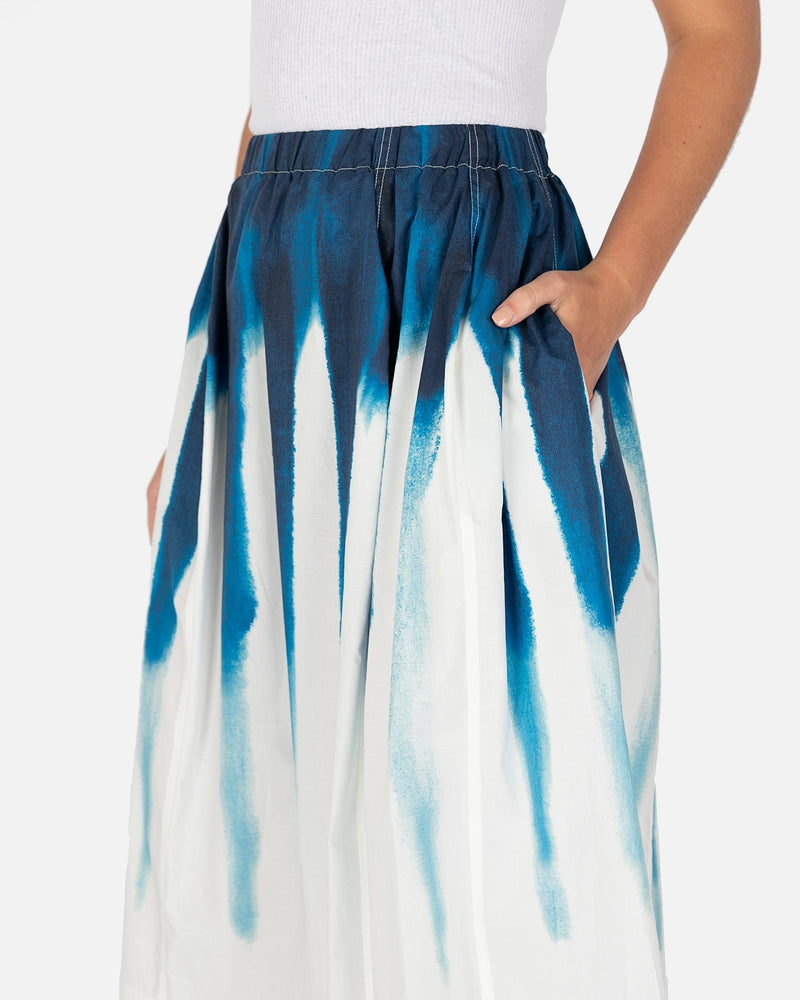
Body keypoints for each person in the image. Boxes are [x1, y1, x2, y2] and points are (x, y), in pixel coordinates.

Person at [120, 1, 760, 997]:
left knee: (479, 818)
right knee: (266, 824)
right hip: (281, 293)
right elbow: (299, 82)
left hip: (470, 286)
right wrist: (214, 385)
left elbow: (716, 31)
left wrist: (616, 289)